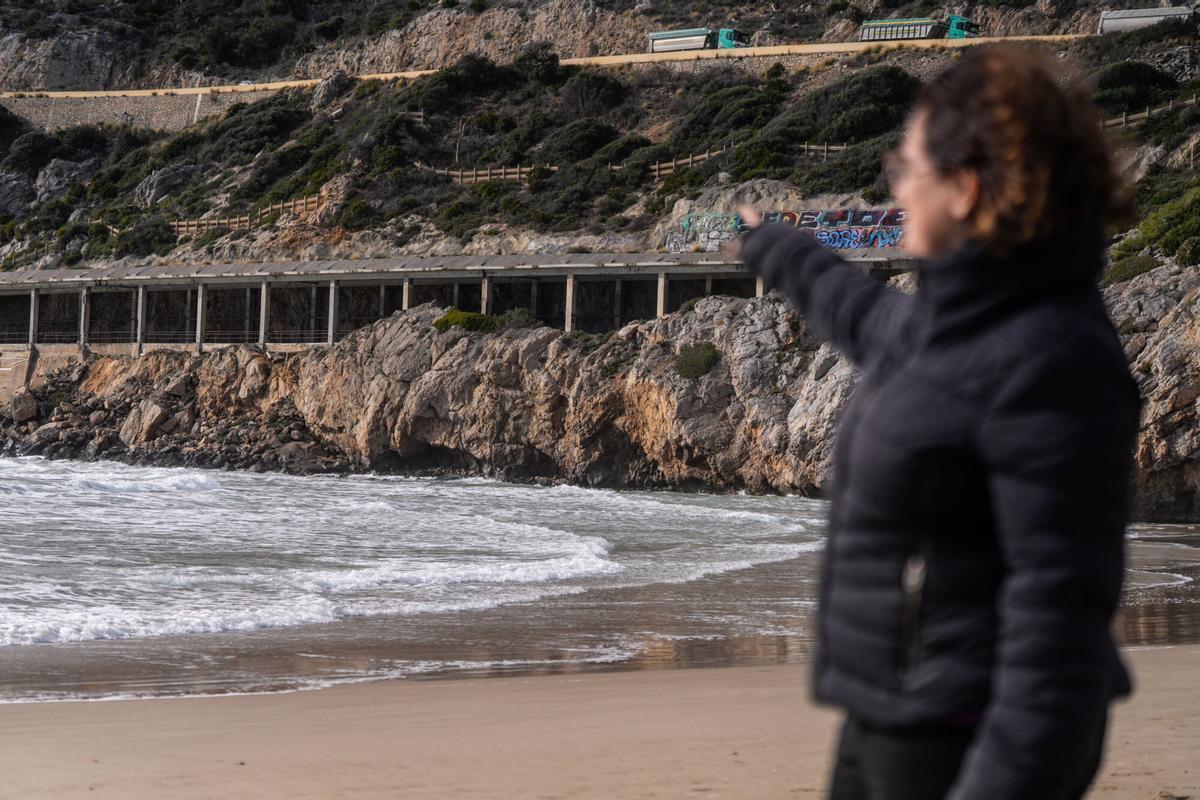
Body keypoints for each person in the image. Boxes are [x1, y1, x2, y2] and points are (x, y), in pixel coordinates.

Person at [734, 45, 1141, 799]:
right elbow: (857, 312)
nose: (896, 187)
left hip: (966, 732)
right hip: (895, 713)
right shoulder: (955, 323)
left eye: (906, 167)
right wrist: (774, 245)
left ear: (964, 187)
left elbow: (1059, 624)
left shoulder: (1052, 357)